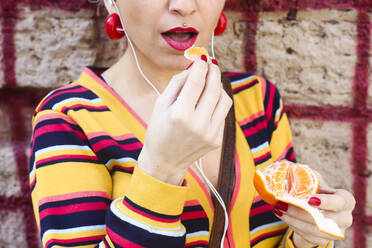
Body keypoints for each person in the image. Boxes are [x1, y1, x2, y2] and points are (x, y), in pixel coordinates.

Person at [29, 0, 355, 247]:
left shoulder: (258, 100)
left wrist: (309, 235)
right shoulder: (69, 119)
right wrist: (162, 169)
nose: (184, 6)